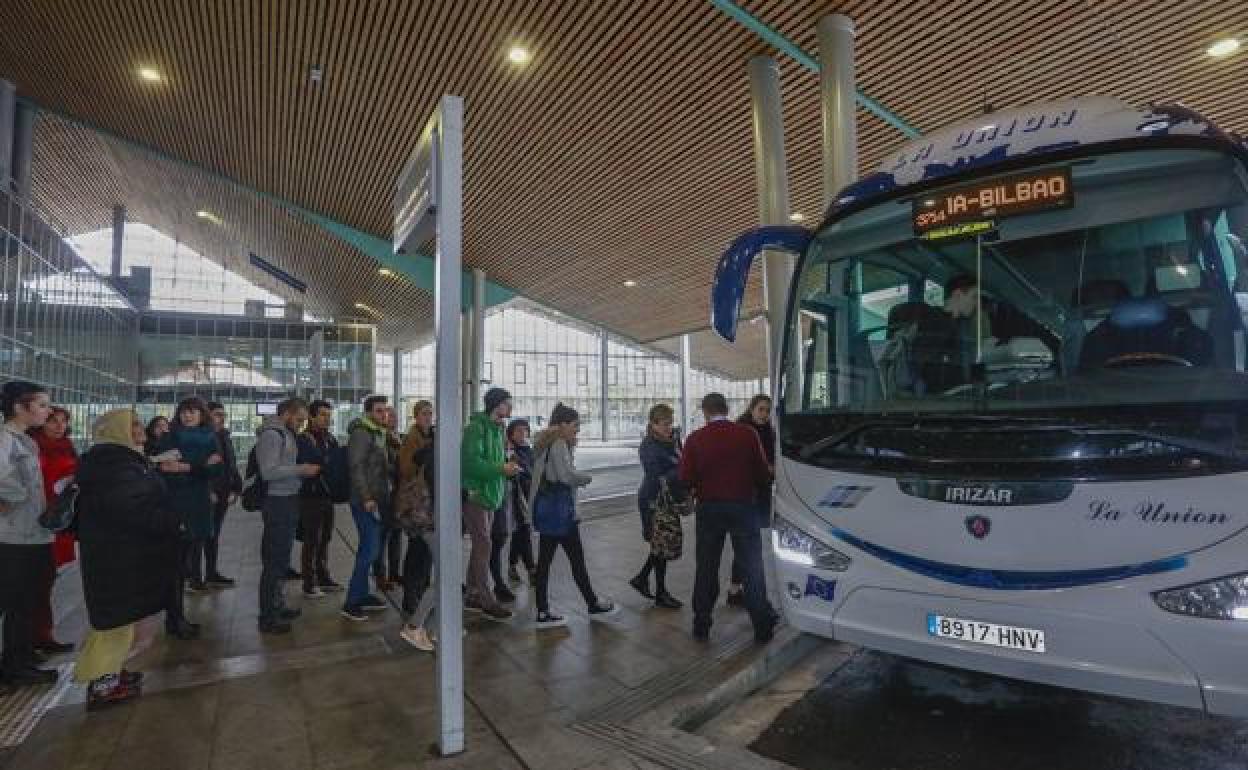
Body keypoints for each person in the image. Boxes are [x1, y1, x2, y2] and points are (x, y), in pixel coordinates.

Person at [73, 410, 181, 710]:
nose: (138, 427)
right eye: (131, 424)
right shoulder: (114, 465)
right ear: (116, 431)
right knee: (117, 627)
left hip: (123, 554)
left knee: (122, 624)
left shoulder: (118, 460)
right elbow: (134, 509)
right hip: (120, 557)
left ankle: (112, 676)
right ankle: (103, 685)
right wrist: (173, 520)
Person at [680, 392, 777, 644]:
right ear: (727, 409)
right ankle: (762, 627)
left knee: (707, 568)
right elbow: (763, 475)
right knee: (752, 568)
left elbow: (686, 479)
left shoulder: (695, 439)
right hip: (743, 508)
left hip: (709, 510)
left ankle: (701, 625)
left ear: (705, 412)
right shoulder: (747, 435)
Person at [527, 403, 617, 629]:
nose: (578, 429)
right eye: (575, 425)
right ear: (563, 424)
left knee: (546, 563)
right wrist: (586, 478)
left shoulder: (545, 442)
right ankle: (591, 603)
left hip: (549, 512)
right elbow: (564, 476)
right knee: (576, 560)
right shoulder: (558, 443)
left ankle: (543, 610)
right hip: (560, 514)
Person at [0, 381, 57, 693]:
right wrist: (16, 495)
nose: (47, 412)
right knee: (16, 602)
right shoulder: (5, 438)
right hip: (13, 537)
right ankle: (14, 667)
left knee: (27, 602)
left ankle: (18, 661)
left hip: (34, 533)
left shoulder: (27, 441)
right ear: (19, 408)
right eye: (42, 406)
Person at [154, 397, 223, 640]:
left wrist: (187, 467)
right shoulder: (170, 436)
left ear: (201, 414)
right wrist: (200, 467)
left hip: (199, 502)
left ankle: (178, 617)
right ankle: (174, 618)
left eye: (192, 412)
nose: (187, 416)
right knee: (176, 565)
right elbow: (165, 468)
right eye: (184, 412)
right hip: (176, 503)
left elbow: (217, 468)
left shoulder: (210, 436)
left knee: (187, 557)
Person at [256, 398, 318, 634]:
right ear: (286, 414)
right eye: (299, 419)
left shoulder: (288, 434)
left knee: (281, 560)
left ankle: (277, 605)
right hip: (277, 502)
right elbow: (268, 471)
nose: (302, 424)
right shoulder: (272, 435)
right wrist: (301, 469)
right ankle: (268, 616)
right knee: (274, 561)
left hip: (289, 499)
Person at [461, 388, 519, 621]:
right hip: (477, 496)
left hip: (493, 493)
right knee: (483, 545)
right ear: (496, 404)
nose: (510, 408)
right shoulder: (476, 428)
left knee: (481, 546)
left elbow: (497, 459)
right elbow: (470, 463)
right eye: (507, 403)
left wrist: (508, 465)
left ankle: (473, 593)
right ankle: (485, 598)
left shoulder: (499, 428)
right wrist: (500, 469)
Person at [29, 406, 79, 656]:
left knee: (46, 580)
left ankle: (41, 635)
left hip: (58, 520)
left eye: (62, 421)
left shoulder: (67, 445)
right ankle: (32, 638)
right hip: (35, 520)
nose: (59, 426)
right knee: (34, 582)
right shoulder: (32, 446)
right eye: (52, 421)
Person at [342, 395, 395, 621]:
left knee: (370, 548)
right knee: (369, 550)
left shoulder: (378, 433)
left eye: (385, 411)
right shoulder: (361, 434)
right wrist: (365, 497)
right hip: (366, 500)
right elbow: (356, 467)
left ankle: (362, 595)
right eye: (378, 411)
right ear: (368, 413)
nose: (383, 415)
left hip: (379, 499)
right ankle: (352, 601)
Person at [630, 403, 683, 610]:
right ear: (652, 424)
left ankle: (643, 579)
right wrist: (680, 472)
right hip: (652, 500)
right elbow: (655, 476)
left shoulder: (674, 439)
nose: (669, 427)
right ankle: (660, 592)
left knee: (662, 545)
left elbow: (683, 460)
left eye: (670, 423)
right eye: (664, 424)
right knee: (661, 546)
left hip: (667, 500)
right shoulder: (648, 446)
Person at [726, 394, 774, 608]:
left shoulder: (767, 429)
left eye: (767, 410)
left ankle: (736, 590)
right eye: (761, 409)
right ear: (752, 408)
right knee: (748, 547)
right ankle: (743, 593)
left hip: (760, 493)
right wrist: (766, 469)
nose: (765, 414)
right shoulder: (742, 430)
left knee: (749, 546)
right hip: (746, 496)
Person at [396, 401, 437, 652]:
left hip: (427, 506)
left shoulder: (431, 437)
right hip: (417, 506)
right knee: (416, 554)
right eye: (425, 414)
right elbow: (406, 469)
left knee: (426, 558)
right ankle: (411, 599)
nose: (429, 418)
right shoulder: (412, 438)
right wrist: (424, 460)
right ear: (415, 416)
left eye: (431, 413)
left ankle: (421, 598)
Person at [296, 400, 342, 598]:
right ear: (311, 417)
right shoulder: (304, 439)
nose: (327, 418)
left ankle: (323, 576)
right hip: (310, 496)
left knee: (325, 538)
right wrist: (327, 463)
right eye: (323, 414)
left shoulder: (330, 438)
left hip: (327, 495)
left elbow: (334, 463)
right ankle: (309, 582)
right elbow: (314, 463)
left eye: (329, 415)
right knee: (311, 540)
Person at [204, 401, 242, 588]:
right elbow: (201, 466)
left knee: (214, 534)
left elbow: (231, 464)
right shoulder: (203, 437)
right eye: (217, 414)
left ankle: (211, 572)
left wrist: (236, 488)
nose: (221, 417)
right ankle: (193, 575)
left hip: (224, 492)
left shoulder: (224, 436)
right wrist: (208, 490)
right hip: (209, 494)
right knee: (201, 535)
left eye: (223, 414)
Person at [372, 405, 404, 592]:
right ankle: (380, 575)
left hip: (398, 494)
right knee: (382, 536)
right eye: (389, 416)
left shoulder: (397, 437)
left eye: (394, 416)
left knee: (396, 536)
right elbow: (384, 466)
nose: (393, 419)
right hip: (385, 493)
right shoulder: (380, 439)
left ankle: (394, 572)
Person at [506, 419, 536, 585]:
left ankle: (512, 565)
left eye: (525, 430)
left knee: (520, 532)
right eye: (518, 430)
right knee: (524, 531)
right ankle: (531, 569)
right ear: (511, 433)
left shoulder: (527, 449)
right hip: (516, 497)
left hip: (527, 496)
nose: (522, 433)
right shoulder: (511, 450)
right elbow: (519, 473)